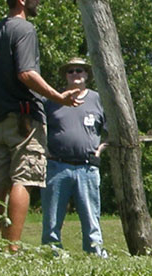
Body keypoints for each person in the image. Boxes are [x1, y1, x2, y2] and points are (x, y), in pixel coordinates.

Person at [0, 0, 85, 253]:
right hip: (24, 119)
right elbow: (26, 73)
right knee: (23, 180)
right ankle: (11, 249)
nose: (38, 1)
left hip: (1, 119)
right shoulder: (25, 29)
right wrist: (57, 97)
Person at [41, 57, 108, 256]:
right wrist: (44, 149)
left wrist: (100, 150)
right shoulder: (53, 100)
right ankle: (52, 253)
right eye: (71, 71)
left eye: (79, 70)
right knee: (52, 216)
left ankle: (95, 252)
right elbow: (39, 127)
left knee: (91, 216)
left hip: (88, 167)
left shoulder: (98, 99)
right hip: (56, 166)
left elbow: (111, 131)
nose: (75, 74)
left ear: (86, 74)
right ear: (66, 76)